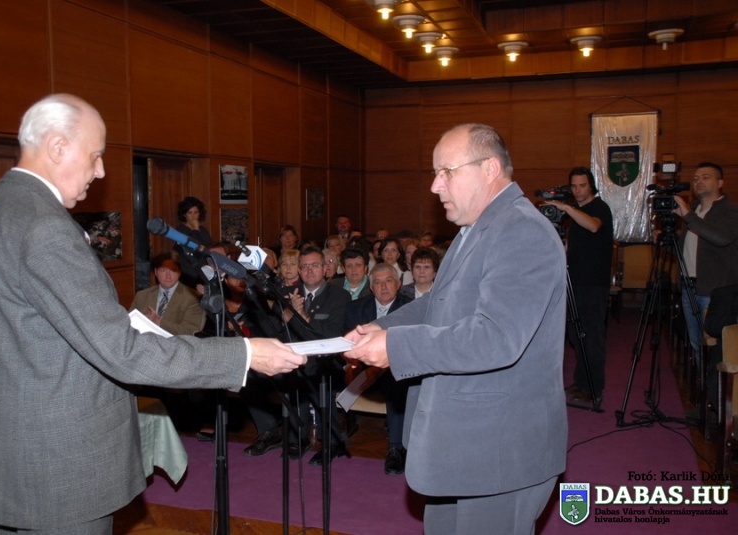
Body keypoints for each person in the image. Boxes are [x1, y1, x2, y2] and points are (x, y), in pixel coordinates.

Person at [0, 94, 306, 534]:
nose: (100, 171)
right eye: (95, 155)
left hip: (4, 456)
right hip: (62, 467)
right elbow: (121, 351)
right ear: (57, 147)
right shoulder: (44, 227)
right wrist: (243, 355)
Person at [345, 123, 568, 535]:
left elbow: (496, 337)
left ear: (489, 169)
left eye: (447, 172)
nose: (435, 186)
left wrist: (396, 346)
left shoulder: (521, 230)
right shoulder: (475, 229)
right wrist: (379, 326)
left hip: (500, 451)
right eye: (435, 173)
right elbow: (439, 302)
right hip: (464, 443)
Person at [242, 246, 350, 464]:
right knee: (249, 375)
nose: (309, 271)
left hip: (325, 360)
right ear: (299, 271)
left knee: (310, 372)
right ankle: (272, 432)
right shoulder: (285, 294)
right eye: (304, 267)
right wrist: (286, 314)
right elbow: (269, 332)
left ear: (325, 269)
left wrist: (302, 316)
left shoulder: (339, 296)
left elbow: (333, 336)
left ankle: (330, 442)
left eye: (315, 265)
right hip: (288, 356)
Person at [544, 166, 613, 403]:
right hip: (575, 281)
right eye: (573, 186)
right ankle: (582, 382)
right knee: (576, 335)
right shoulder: (577, 213)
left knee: (591, 336)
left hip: (593, 284)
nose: (578, 190)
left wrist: (566, 208)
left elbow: (593, 226)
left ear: (591, 185)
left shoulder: (599, 207)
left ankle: (594, 388)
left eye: (582, 185)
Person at [344, 263, 412, 475]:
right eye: (378, 282)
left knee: (397, 382)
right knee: (323, 374)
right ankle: (333, 440)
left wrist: (377, 369)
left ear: (398, 284)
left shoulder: (410, 309)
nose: (383, 287)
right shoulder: (356, 308)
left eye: (388, 281)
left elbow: (408, 351)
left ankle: (395, 448)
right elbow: (347, 345)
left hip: (395, 370)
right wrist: (353, 366)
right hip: (361, 368)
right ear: (371, 287)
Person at [673, 162, 738, 368]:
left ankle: (714, 387)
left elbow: (722, 238)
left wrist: (688, 217)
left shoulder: (730, 210)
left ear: (720, 183)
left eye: (705, 177)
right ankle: (702, 384)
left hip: (714, 290)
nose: (698, 181)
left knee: (715, 347)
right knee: (696, 343)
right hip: (689, 287)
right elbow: (690, 249)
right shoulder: (693, 211)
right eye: (695, 178)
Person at [130, 253, 205, 336]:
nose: (168, 276)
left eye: (173, 270)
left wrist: (159, 322)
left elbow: (190, 331)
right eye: (163, 270)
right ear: (156, 272)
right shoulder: (142, 296)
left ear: (180, 272)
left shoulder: (193, 298)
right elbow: (128, 325)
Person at [174, 196, 213, 288]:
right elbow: (194, 247)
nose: (193, 216)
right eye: (190, 212)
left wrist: (197, 229)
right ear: (185, 215)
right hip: (189, 270)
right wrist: (195, 229)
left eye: (196, 212)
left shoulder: (203, 230)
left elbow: (208, 245)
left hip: (204, 270)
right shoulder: (181, 230)